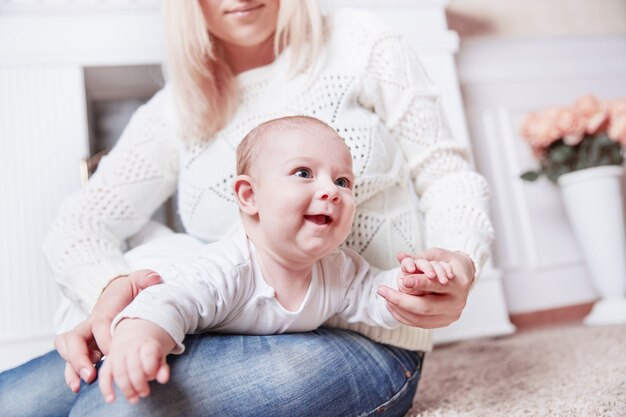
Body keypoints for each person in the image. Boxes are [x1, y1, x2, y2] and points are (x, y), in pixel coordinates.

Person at [0, 1, 494, 416]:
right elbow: (81, 222)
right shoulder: (179, 108)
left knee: (124, 402)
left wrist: (457, 261)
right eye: (303, 174)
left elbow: (446, 174)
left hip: (369, 343)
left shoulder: (358, 40)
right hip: (213, 325)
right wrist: (111, 294)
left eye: (343, 180)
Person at [98, 115, 455, 405]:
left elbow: (374, 293)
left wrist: (412, 282)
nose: (331, 190)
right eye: (304, 173)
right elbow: (173, 299)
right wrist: (139, 336)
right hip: (151, 273)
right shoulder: (230, 267)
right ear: (249, 196)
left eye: (343, 181)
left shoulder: (337, 268)